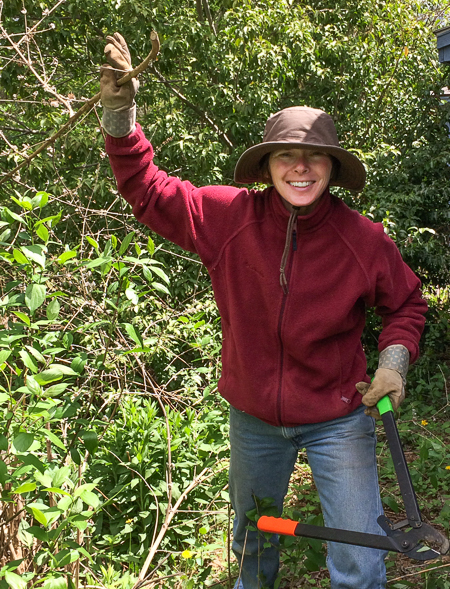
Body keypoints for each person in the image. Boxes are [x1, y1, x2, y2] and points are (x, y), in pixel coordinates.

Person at [100, 34, 427, 589]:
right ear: (267, 164)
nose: (300, 168)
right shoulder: (229, 217)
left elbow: (406, 304)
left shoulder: (363, 240)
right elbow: (148, 191)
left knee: (361, 561)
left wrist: (393, 362)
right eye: (285, 155)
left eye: (314, 156)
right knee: (252, 545)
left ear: (332, 166)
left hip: (338, 419)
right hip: (253, 419)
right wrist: (119, 113)